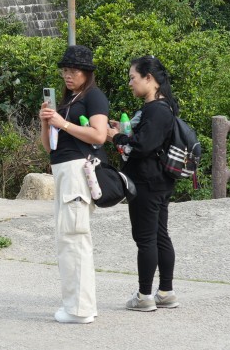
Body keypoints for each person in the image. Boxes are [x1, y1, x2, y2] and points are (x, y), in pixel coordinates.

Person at [39, 45, 109, 324]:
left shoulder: (94, 97)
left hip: (78, 170)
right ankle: (78, 305)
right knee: (66, 236)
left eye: (74, 70)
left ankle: (79, 309)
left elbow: (100, 135)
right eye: (65, 70)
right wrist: (47, 121)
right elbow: (48, 146)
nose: (68, 75)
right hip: (63, 169)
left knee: (74, 237)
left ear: (87, 72)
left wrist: (62, 123)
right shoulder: (69, 99)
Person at [106, 55, 179, 311]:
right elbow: (148, 139)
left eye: (133, 78)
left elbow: (142, 146)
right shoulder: (165, 106)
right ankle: (166, 292)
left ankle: (145, 296)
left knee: (146, 238)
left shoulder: (156, 110)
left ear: (149, 79)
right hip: (160, 180)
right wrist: (123, 132)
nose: (130, 83)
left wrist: (117, 137)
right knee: (160, 235)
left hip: (147, 181)